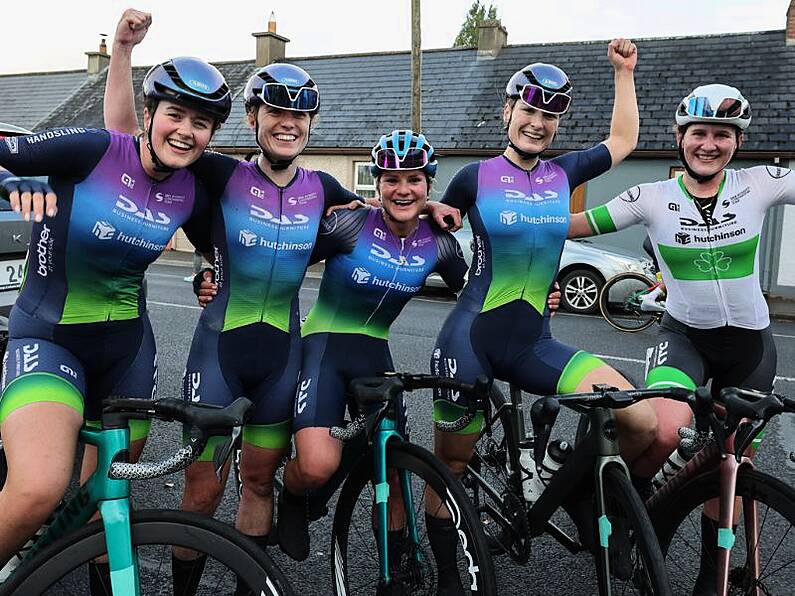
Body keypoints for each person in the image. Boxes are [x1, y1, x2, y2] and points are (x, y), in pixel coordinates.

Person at [103, 11, 461, 593]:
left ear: (310, 124)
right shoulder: (220, 174)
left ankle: (252, 586)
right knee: (202, 487)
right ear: (254, 119)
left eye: (299, 115)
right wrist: (122, 53)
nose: (288, 124)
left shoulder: (325, 190)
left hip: (282, 356)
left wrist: (430, 207)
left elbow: (391, 204)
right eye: (277, 112)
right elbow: (127, 144)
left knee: (261, 483)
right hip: (220, 350)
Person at [0, 43, 231, 593]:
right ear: (149, 115)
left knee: (106, 494)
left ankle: (63, 564)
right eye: (175, 114)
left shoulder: (191, 190)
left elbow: (217, 246)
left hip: (128, 350)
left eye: (201, 123)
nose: (186, 131)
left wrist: (209, 273)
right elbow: (9, 152)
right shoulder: (95, 149)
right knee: (39, 486)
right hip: (50, 337)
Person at [428, 39, 656, 579]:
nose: (537, 123)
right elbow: (435, 229)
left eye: (550, 115)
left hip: (535, 341)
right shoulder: (473, 177)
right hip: (471, 339)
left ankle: (573, 492)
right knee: (451, 467)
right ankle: (445, 578)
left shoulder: (565, 172)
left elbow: (623, 140)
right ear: (508, 111)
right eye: (529, 109)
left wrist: (624, 73)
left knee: (638, 420)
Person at [569, 83, 792, 594]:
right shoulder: (652, 197)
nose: (709, 144)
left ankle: (710, 578)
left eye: (722, 134)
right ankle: (629, 510)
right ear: (679, 137)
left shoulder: (759, 184)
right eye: (699, 133)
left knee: (730, 460)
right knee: (666, 430)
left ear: (736, 141)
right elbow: (578, 225)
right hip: (684, 337)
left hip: (750, 346)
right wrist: (500, 213)